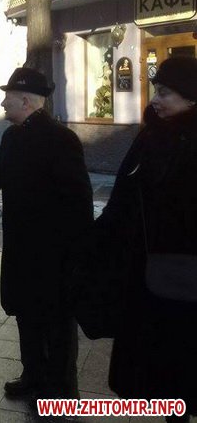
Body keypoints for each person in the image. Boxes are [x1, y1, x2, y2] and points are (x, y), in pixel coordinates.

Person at [0, 67, 93, 399]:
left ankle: (62, 390)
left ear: (26, 101)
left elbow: (80, 201)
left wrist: (79, 253)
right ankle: (33, 375)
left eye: (8, 98)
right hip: (21, 246)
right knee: (26, 313)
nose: (3, 103)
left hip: (55, 252)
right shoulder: (13, 137)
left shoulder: (61, 139)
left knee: (57, 321)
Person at [91, 56, 197, 420]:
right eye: (156, 90)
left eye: (165, 93)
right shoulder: (150, 137)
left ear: (191, 97)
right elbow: (123, 198)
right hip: (151, 274)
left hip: (187, 274)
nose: (155, 100)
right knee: (164, 363)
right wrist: (98, 238)